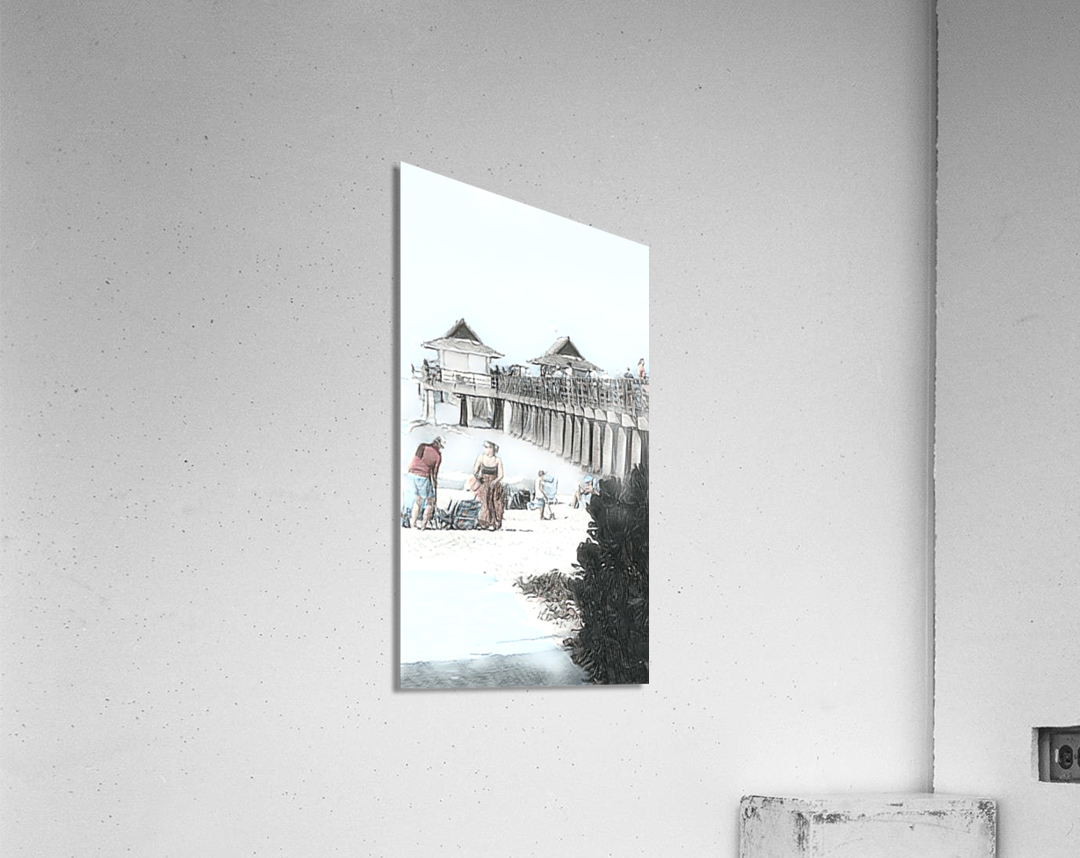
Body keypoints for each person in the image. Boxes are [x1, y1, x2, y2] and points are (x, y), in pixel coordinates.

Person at [407, 435, 444, 530]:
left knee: (418, 501)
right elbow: (434, 473)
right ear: (439, 446)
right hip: (423, 477)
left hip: (411, 475)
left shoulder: (422, 446)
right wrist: (435, 484)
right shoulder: (437, 456)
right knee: (430, 501)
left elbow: (414, 460)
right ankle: (423, 525)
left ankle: (413, 523)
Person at [472, 440, 504, 530]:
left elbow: (501, 475)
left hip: (494, 484)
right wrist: (479, 479)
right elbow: (475, 471)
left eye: (489, 447)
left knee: (495, 503)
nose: (487, 450)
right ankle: (485, 522)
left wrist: (495, 482)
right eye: (485, 447)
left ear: (493, 448)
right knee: (485, 502)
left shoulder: (497, 460)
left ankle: (495, 522)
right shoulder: (481, 458)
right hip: (484, 482)